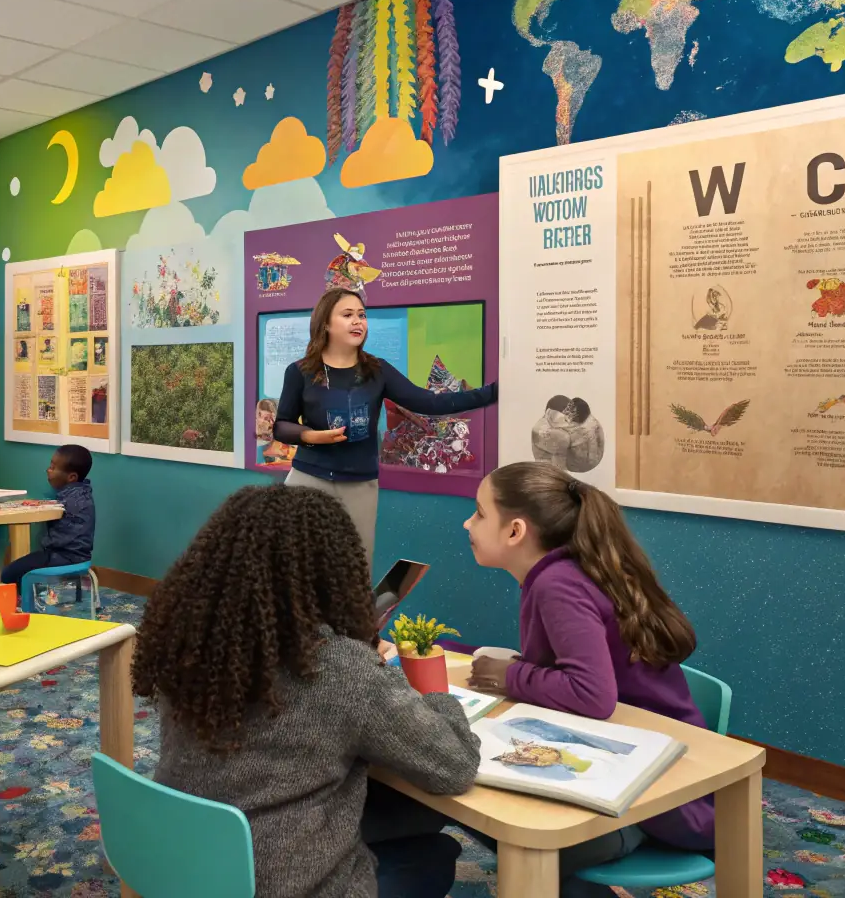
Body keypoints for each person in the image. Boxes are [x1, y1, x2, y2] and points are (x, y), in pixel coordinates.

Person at [135, 484, 480, 898]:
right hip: (284, 882)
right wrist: (434, 691)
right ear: (334, 572)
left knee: (415, 822)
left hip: (182, 862)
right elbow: (455, 766)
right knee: (435, 853)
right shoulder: (342, 667)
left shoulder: (188, 643)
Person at [463, 461, 713, 893]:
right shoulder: (563, 572)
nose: (468, 522)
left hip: (656, 796)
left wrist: (512, 676)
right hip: (627, 765)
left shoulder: (557, 584)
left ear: (515, 531)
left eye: (480, 512)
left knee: (502, 828)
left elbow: (593, 695)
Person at [274, 287, 497, 561]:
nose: (358, 321)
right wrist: (311, 436)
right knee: (293, 562)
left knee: (356, 564)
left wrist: (492, 392)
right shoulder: (300, 372)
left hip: (359, 484)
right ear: (326, 324)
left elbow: (430, 403)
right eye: (348, 315)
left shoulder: (377, 371)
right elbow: (281, 426)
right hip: (307, 479)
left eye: (362, 315)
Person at [0, 444, 95, 587]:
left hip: (63, 557)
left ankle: (25, 601)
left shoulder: (70, 501)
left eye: (53, 467)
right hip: (80, 557)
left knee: (9, 573)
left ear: (71, 477)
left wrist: (40, 506)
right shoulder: (81, 494)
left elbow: (62, 509)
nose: (48, 470)